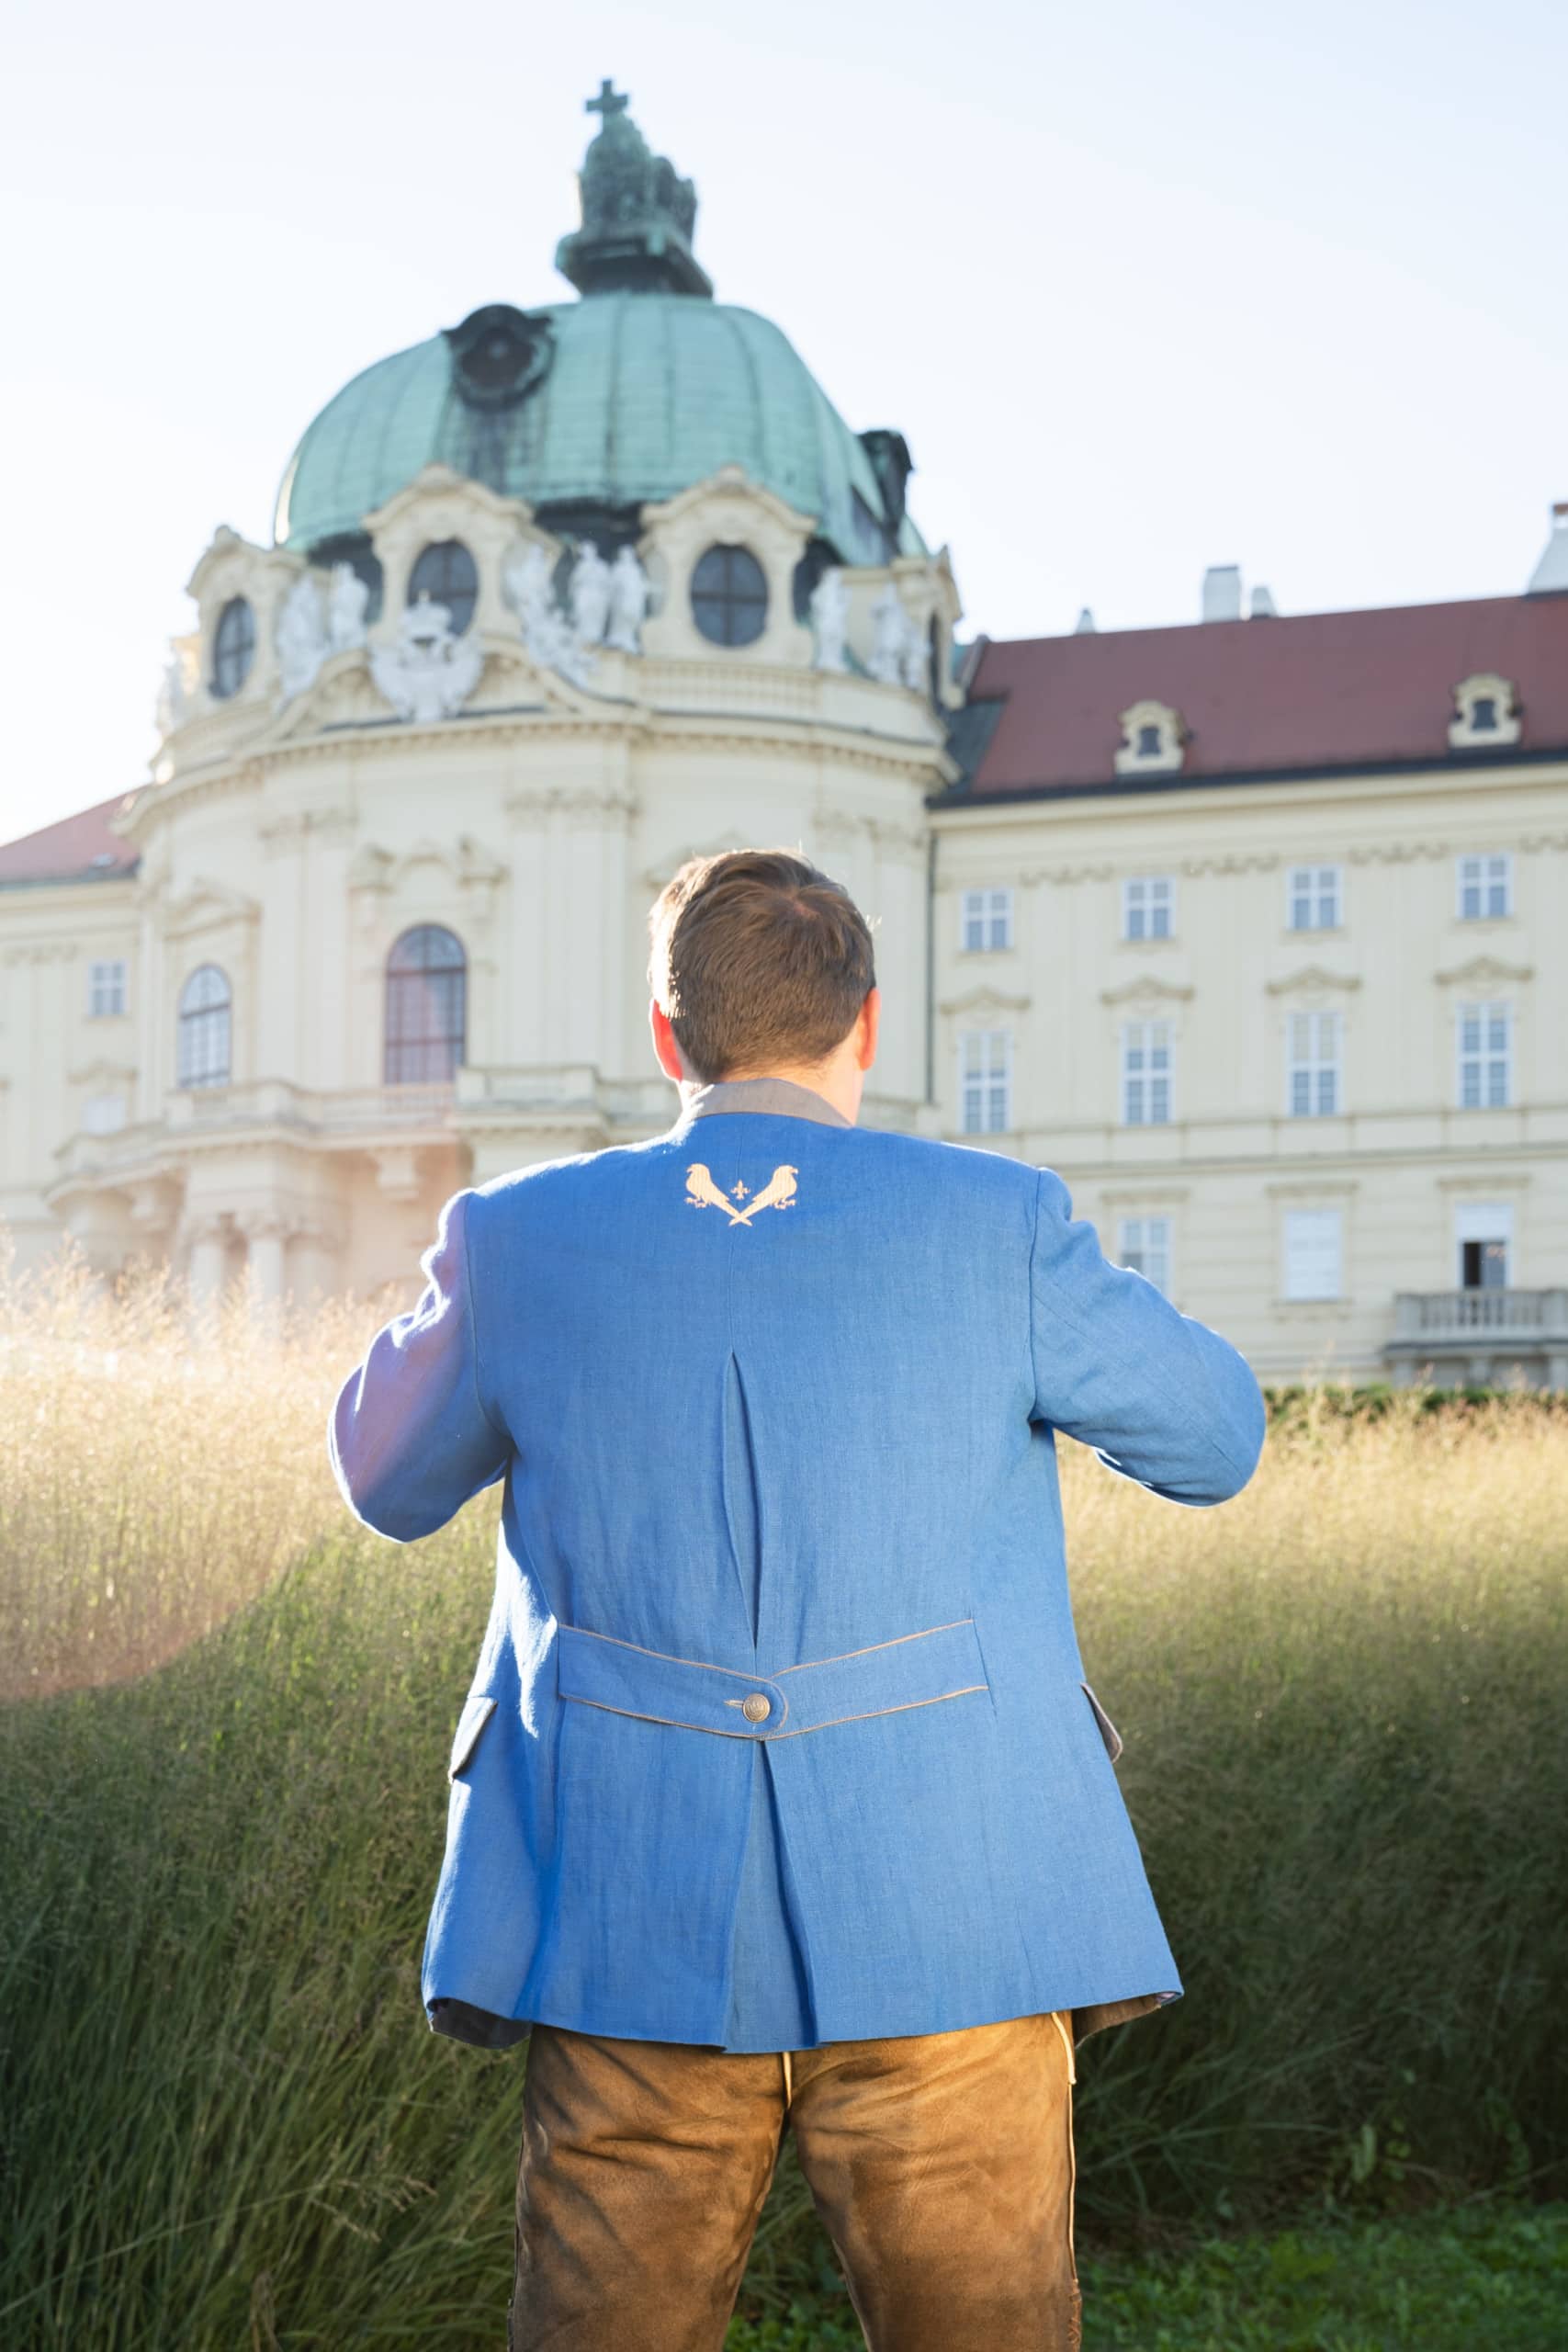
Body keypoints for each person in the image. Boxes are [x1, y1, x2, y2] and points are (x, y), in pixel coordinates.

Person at [329, 847, 1266, 2351]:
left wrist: (500, 1290)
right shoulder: (1001, 1222)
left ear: (666, 1033)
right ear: (867, 1024)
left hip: (626, 1922)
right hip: (956, 1919)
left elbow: (382, 1477)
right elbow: (1217, 1442)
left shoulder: (516, 1236)